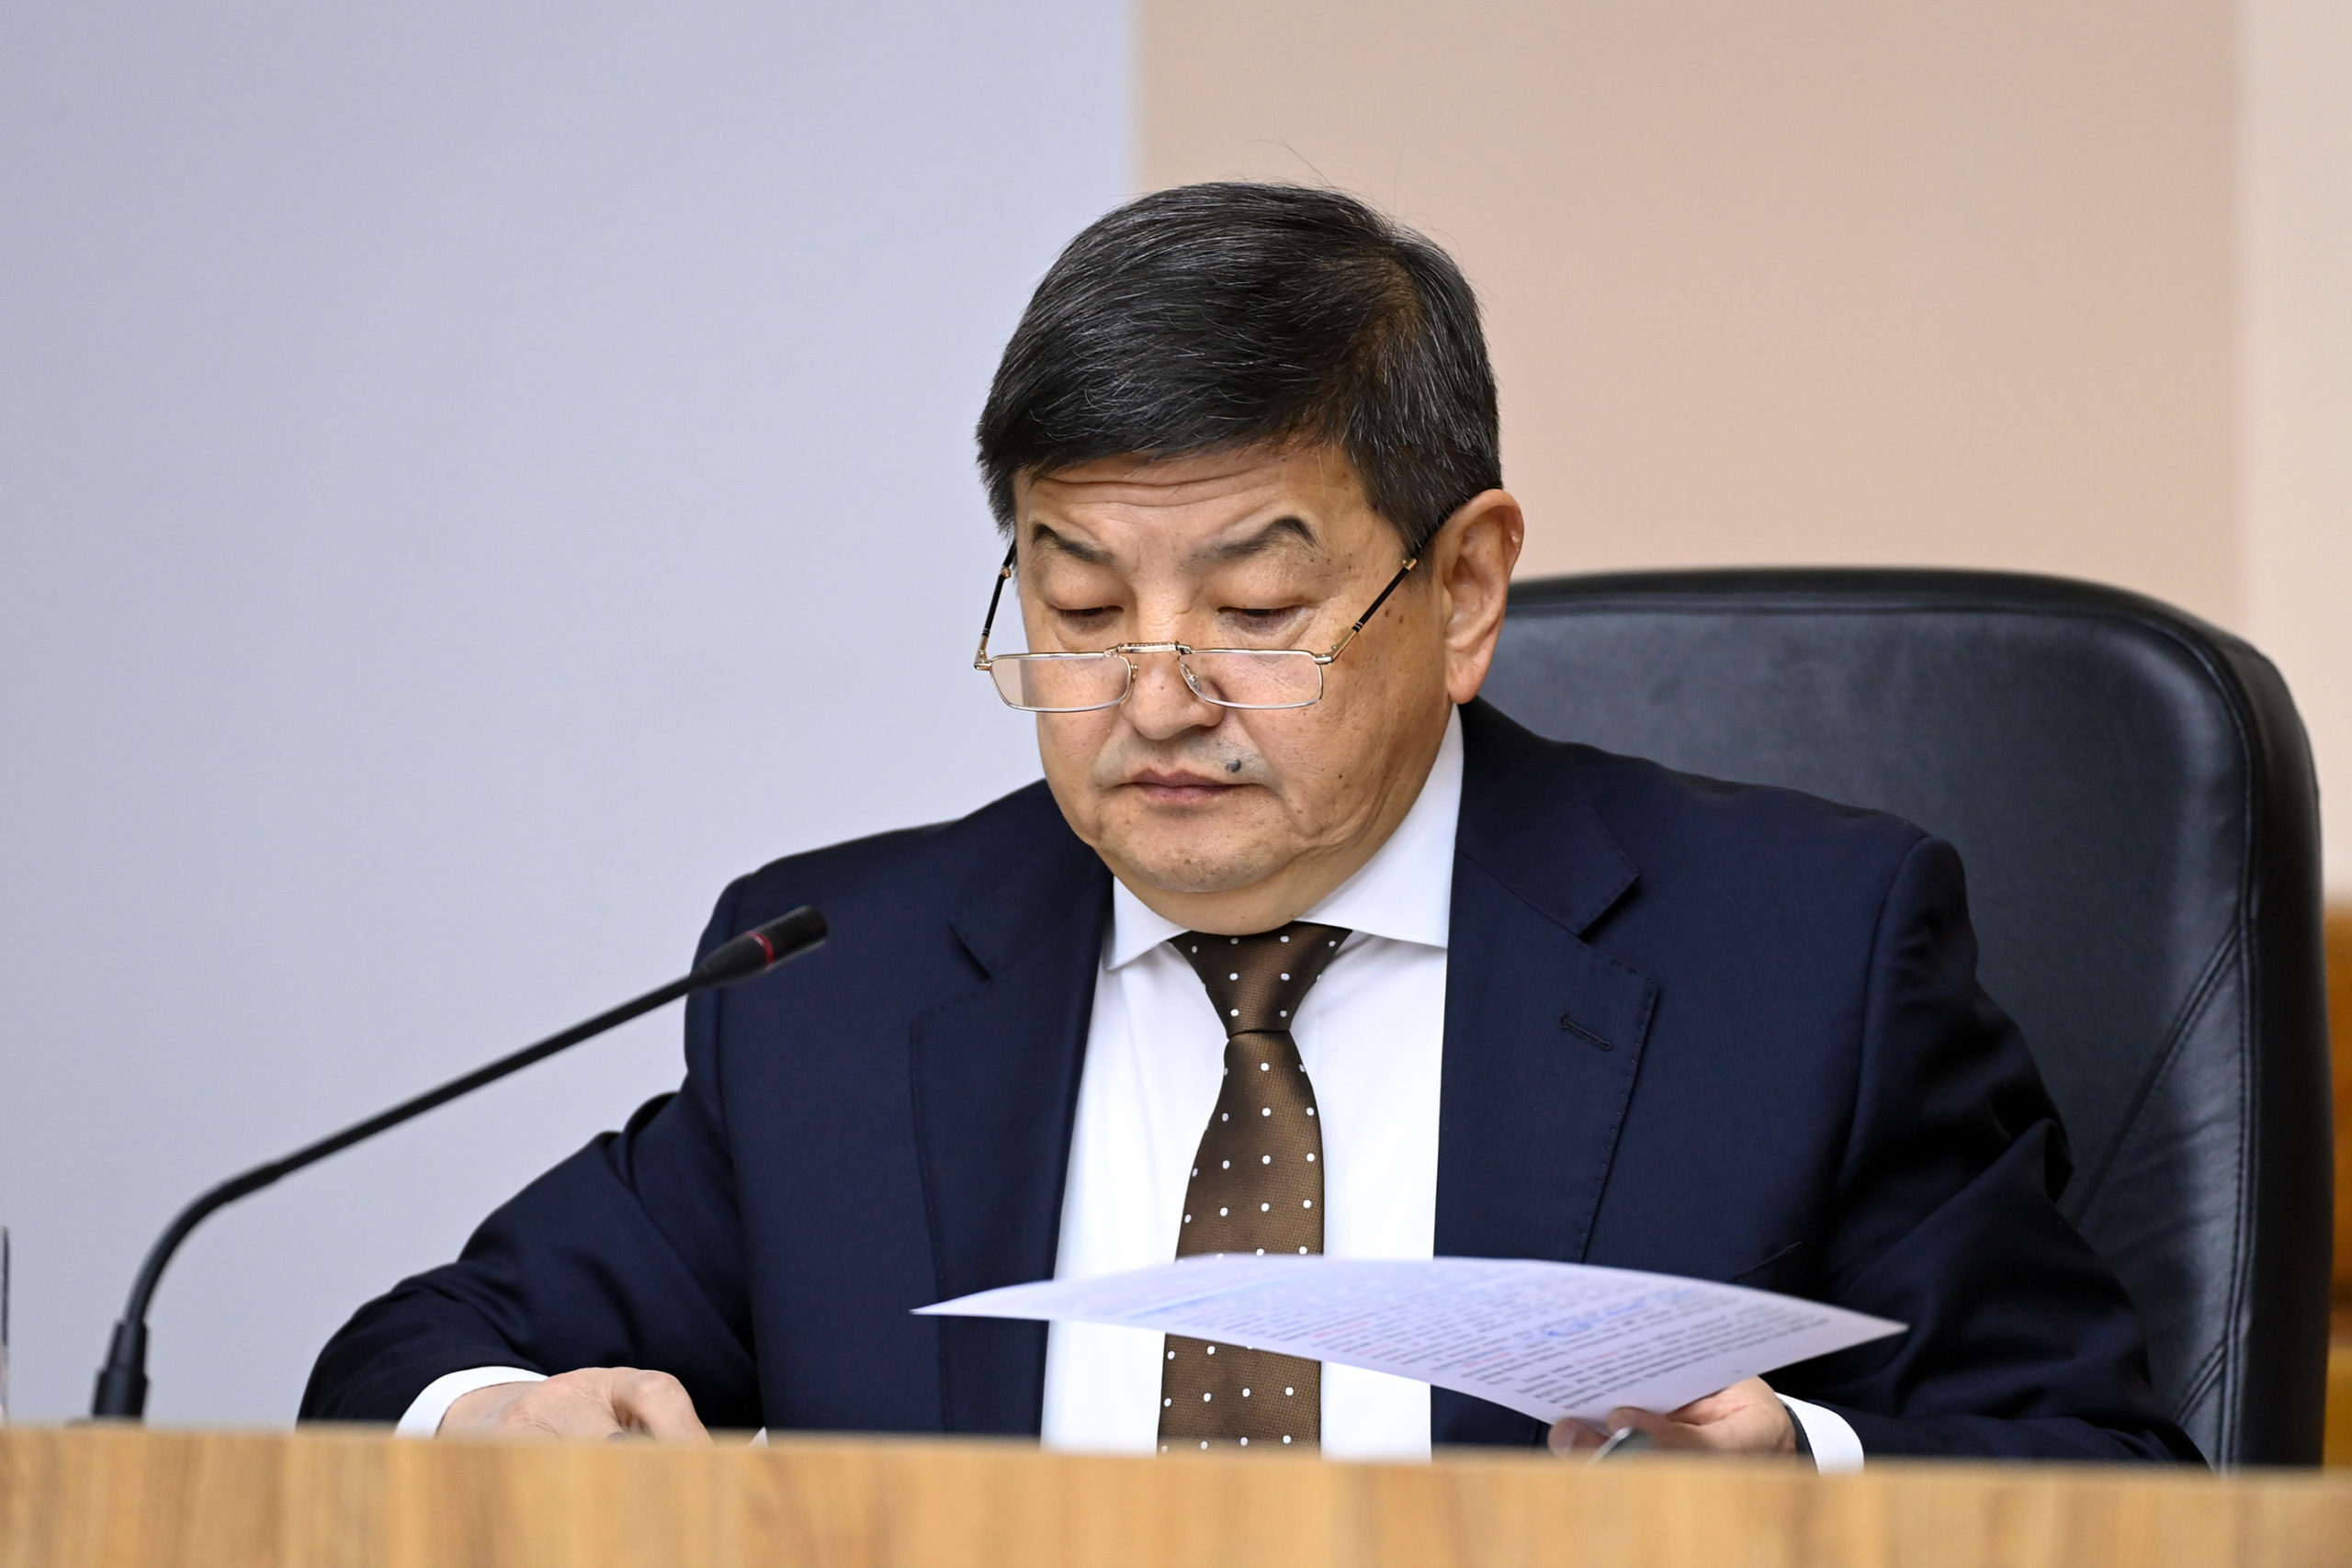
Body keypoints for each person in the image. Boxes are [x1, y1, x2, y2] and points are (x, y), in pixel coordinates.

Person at [300, 183, 2196, 1465]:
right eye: (1078, 605)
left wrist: (1794, 1477)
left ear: (1465, 587)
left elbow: (2098, 1472)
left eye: (1257, 608)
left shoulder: (1794, 961)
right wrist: (491, 1421)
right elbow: (407, 1362)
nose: (1153, 696)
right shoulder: (836, 988)